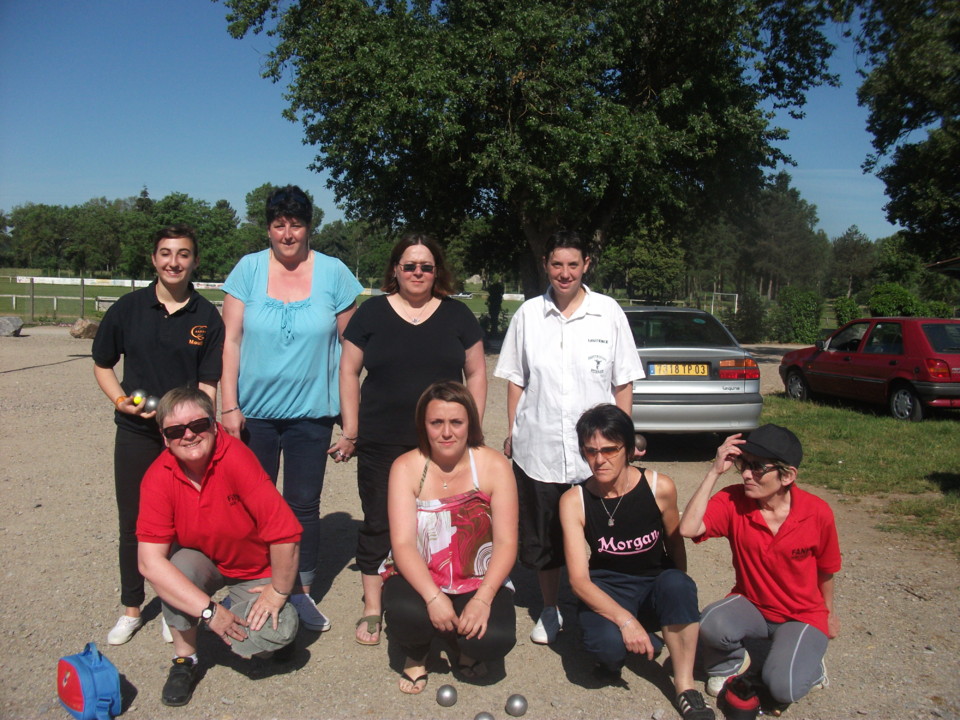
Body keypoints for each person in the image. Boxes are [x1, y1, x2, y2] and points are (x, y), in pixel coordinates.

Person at [221, 185, 362, 632]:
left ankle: (299, 591)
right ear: (268, 227)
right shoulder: (247, 270)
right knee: (251, 504)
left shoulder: (335, 273)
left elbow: (352, 349)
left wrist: (349, 420)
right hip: (253, 415)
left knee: (302, 505)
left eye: (296, 224)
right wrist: (228, 406)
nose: (287, 233)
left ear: (308, 227)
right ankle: (254, 583)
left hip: (311, 415)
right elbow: (231, 341)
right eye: (279, 224)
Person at [494, 230, 643, 645]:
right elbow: (516, 382)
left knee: (603, 536)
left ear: (586, 266)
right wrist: (514, 432)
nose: (565, 273)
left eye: (573, 265)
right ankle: (549, 608)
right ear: (546, 264)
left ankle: (602, 607)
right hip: (538, 450)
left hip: (594, 455)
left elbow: (623, 382)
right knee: (544, 538)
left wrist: (623, 444)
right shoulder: (527, 315)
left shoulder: (608, 313)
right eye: (557, 264)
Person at [338, 233, 486, 645]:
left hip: (443, 442)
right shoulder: (371, 314)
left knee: (444, 522)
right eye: (409, 266)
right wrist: (351, 430)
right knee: (379, 521)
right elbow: (348, 371)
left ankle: (443, 592)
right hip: (381, 439)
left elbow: (476, 373)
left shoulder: (458, 316)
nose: (417, 273)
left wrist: (469, 430)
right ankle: (373, 606)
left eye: (425, 266)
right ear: (395, 270)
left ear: (436, 272)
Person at [92, 224, 224, 646]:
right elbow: (102, 362)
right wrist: (119, 400)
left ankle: (174, 603)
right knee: (133, 523)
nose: (174, 262)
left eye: (183, 254)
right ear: (154, 259)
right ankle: (132, 607)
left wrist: (198, 432)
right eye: (166, 253)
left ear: (195, 261)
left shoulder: (206, 316)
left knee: (182, 527)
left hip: (183, 437)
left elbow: (208, 383)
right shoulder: (129, 308)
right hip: (136, 432)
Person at [138, 387, 301, 707]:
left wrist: (279, 591)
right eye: (176, 431)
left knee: (281, 631)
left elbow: (285, 533)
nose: (189, 436)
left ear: (214, 424)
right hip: (204, 559)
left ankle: (241, 621)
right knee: (173, 573)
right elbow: (149, 563)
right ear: (164, 437)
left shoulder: (236, 457)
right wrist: (210, 611)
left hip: (253, 568)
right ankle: (185, 659)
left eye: (198, 425)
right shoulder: (158, 476)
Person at [559, 405, 715, 720]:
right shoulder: (574, 501)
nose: (599, 460)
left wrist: (676, 596)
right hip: (607, 587)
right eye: (590, 451)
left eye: (609, 450)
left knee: (678, 586)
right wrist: (625, 622)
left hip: (652, 580)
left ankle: (685, 687)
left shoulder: (660, 487)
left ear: (630, 449)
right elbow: (578, 580)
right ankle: (612, 654)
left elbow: (674, 541)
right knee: (609, 651)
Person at [679, 424, 841, 714]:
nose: (745, 474)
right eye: (744, 463)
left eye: (757, 468)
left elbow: (826, 570)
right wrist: (714, 472)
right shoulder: (733, 500)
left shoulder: (817, 513)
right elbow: (689, 527)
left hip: (801, 615)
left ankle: (813, 667)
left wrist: (828, 614)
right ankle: (728, 666)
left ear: (787, 475)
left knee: (781, 689)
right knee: (711, 622)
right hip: (753, 605)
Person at [381, 381, 517, 694]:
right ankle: (416, 651)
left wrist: (483, 599)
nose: (446, 432)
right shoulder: (406, 467)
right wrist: (433, 597)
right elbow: (402, 543)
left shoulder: (494, 465)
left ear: (470, 423)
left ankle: (461, 645)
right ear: (422, 425)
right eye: (436, 423)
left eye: (456, 422)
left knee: (494, 638)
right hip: (420, 573)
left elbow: (508, 542)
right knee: (408, 614)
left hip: (475, 575)